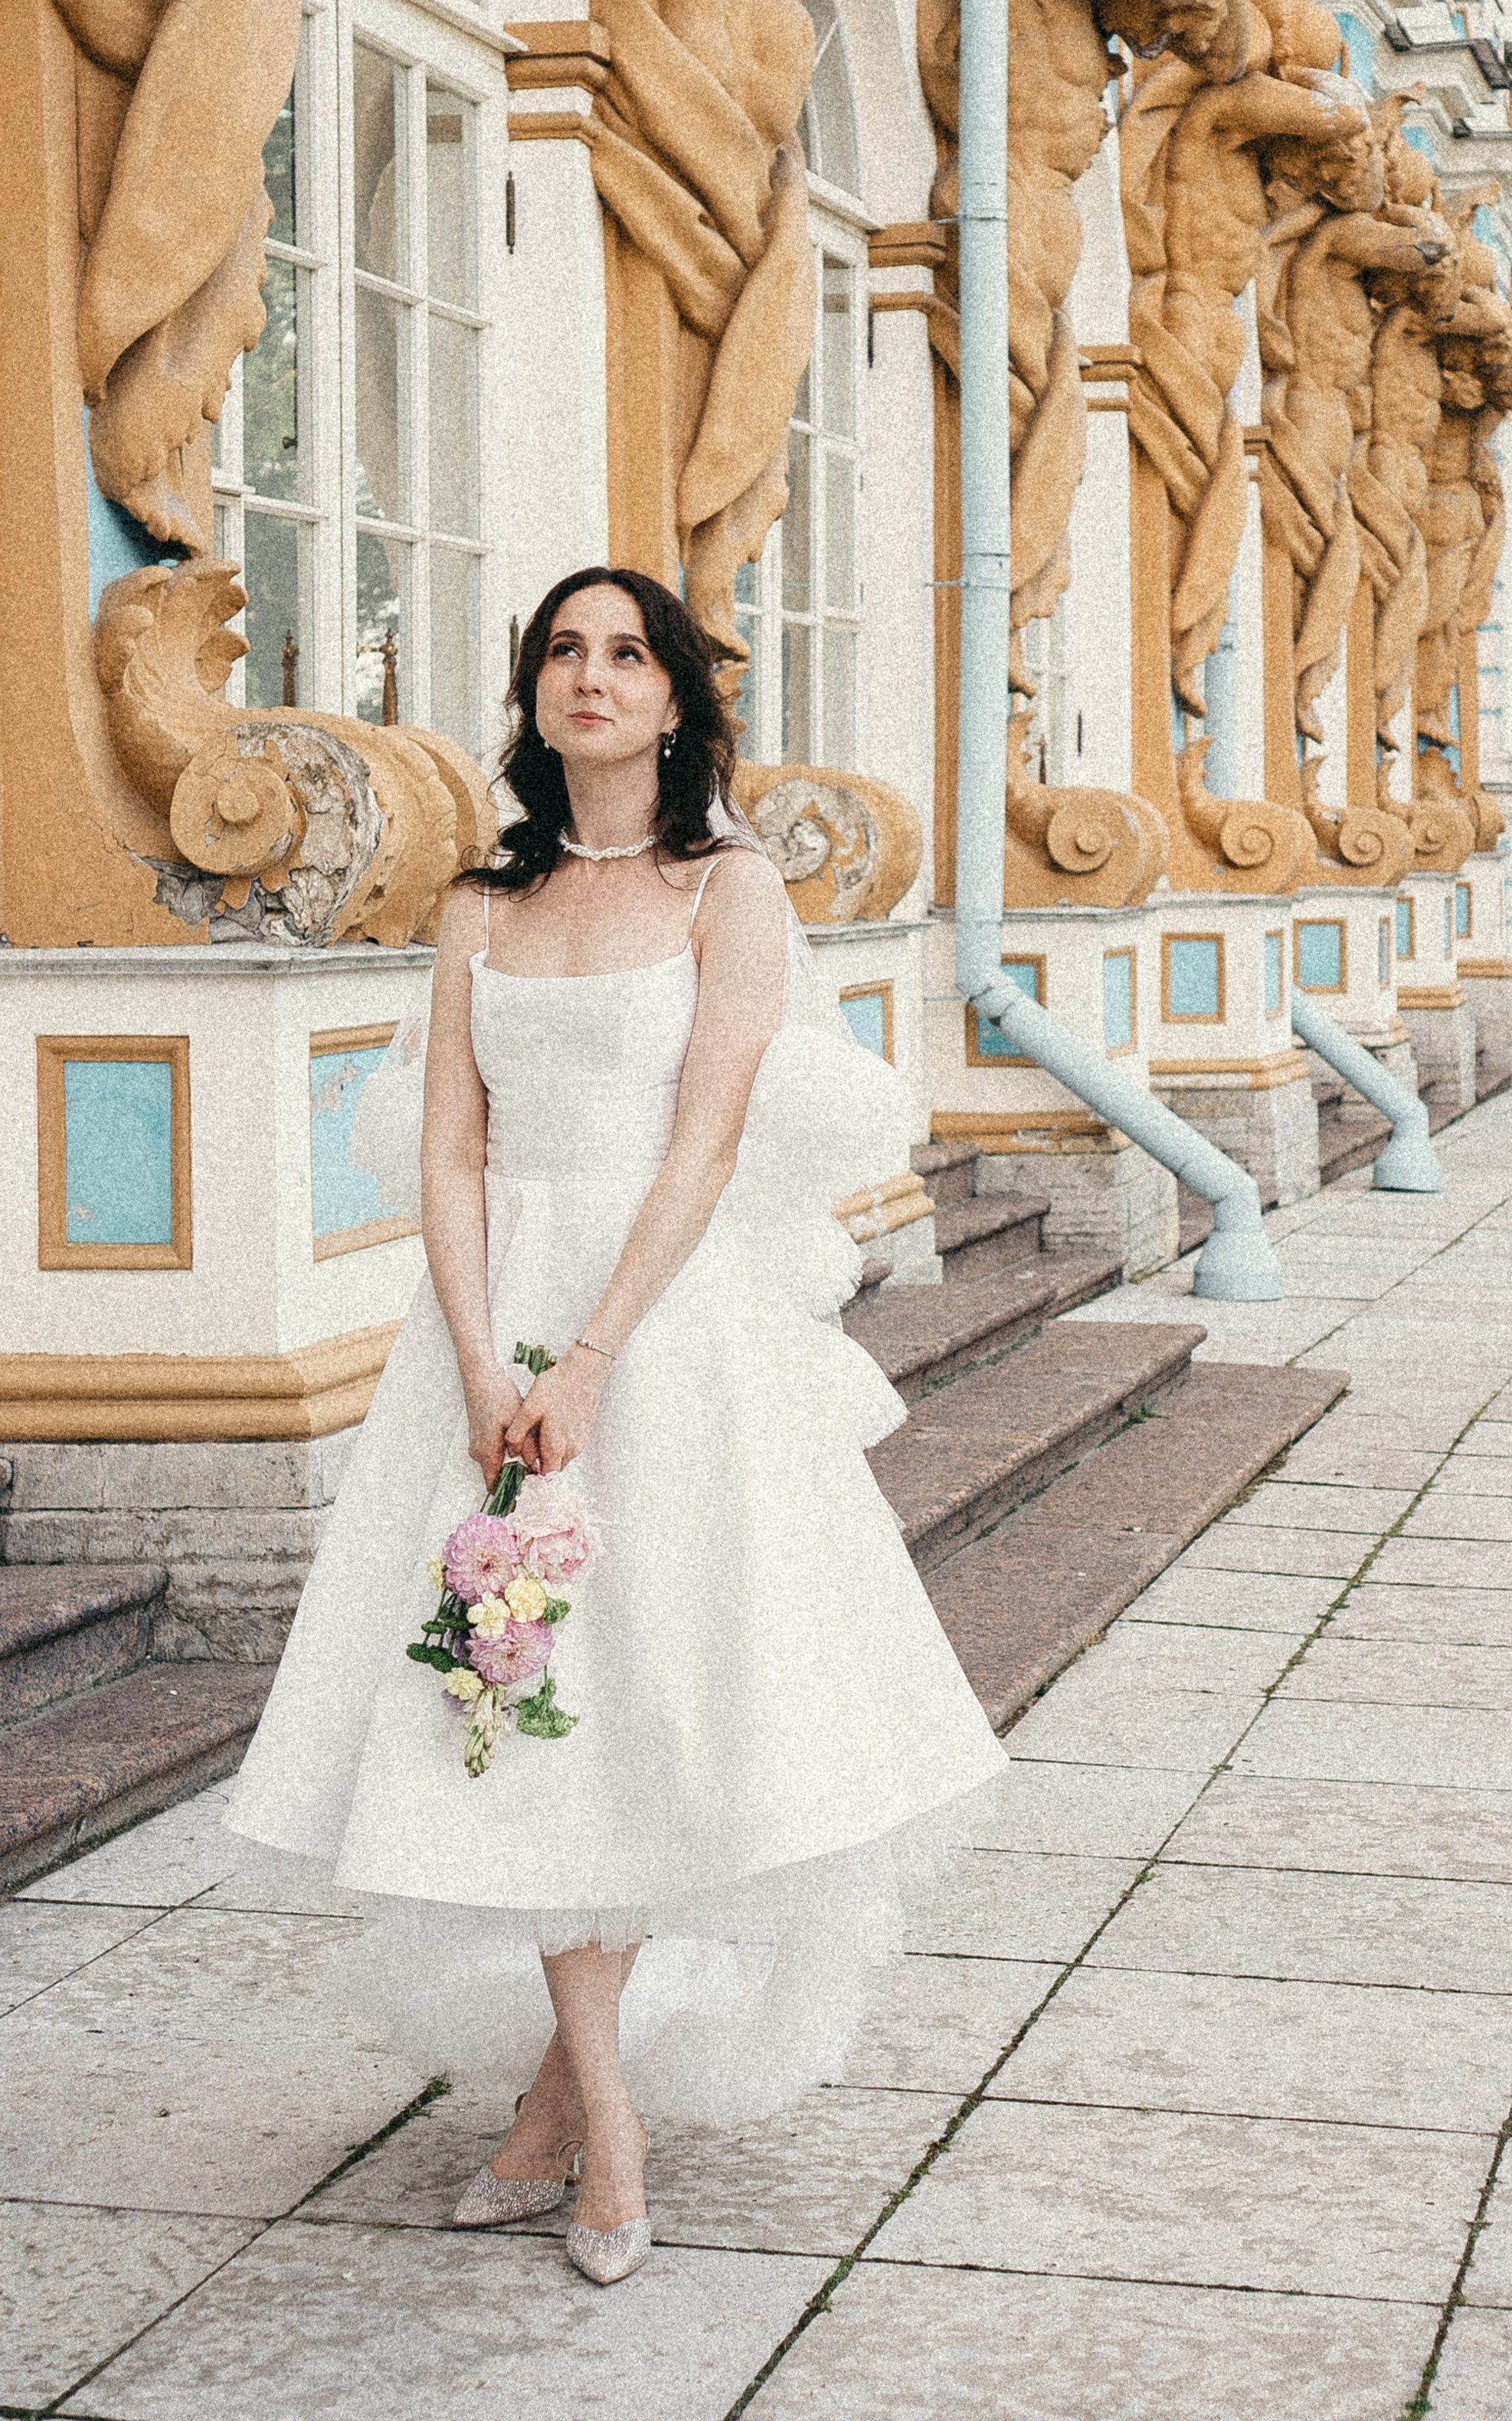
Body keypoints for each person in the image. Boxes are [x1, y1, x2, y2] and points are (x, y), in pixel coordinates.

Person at [227, 567, 1006, 2285]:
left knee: (645, 1708)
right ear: (536, 694)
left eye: (628, 653)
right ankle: (584, 2106)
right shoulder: (480, 902)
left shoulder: (729, 887)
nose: (594, 676)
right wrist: (478, 1359)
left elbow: (706, 1144)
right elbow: (449, 1145)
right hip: (487, 1329)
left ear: (673, 700)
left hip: (664, 1336)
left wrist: (583, 1362)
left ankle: (581, 2115)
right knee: (515, 1705)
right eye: (565, 653)